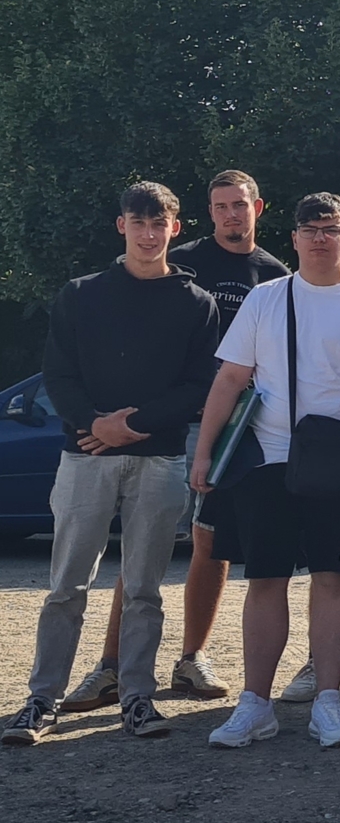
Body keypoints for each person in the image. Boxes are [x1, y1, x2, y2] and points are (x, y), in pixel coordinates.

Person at [2, 184, 221, 747]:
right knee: (66, 586)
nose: (149, 234)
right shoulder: (81, 294)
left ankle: (136, 699)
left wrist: (134, 424)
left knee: (145, 588)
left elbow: (199, 385)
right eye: (138, 222)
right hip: (87, 457)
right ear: (121, 225)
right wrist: (93, 425)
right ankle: (41, 699)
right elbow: (59, 371)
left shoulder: (196, 302)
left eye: (160, 224)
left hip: (159, 457)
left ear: (175, 228)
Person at [70, 170, 288, 713]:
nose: (231, 215)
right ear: (207, 214)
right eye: (221, 207)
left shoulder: (276, 274)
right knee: (146, 547)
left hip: (244, 425)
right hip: (176, 422)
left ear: (258, 208)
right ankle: (111, 667)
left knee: (210, 540)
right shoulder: (181, 261)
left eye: (240, 205)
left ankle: (192, 658)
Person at [193, 192, 340, 750]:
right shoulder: (266, 298)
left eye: (330, 229)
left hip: (339, 466)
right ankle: (255, 704)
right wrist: (204, 453)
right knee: (265, 579)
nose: (318, 237)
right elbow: (231, 378)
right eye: (309, 228)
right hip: (266, 459)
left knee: (334, 580)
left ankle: (328, 700)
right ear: (294, 237)